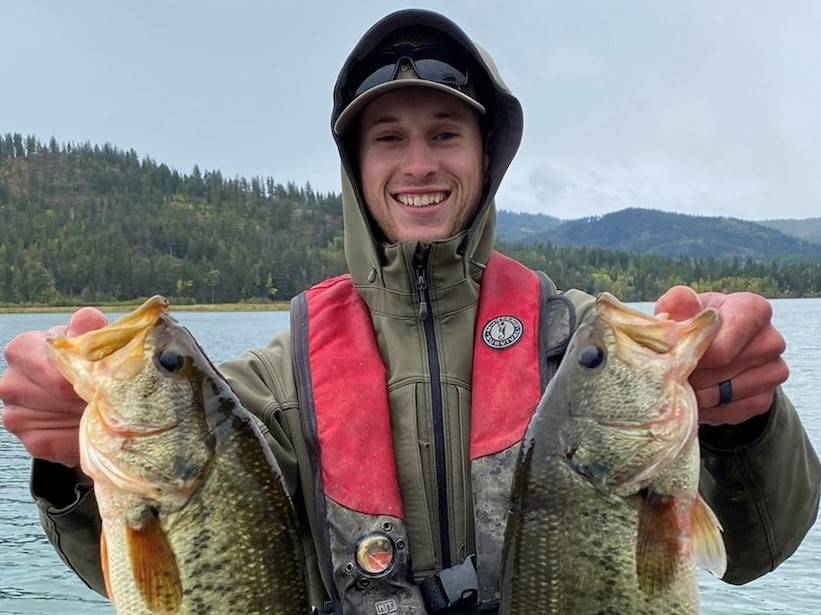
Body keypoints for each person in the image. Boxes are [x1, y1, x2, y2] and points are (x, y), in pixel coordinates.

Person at [1, 9, 819, 614]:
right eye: (386, 138)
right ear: (355, 167)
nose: (417, 162)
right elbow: (165, 571)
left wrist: (743, 423)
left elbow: (754, 550)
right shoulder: (268, 381)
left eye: (445, 133)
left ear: (486, 155)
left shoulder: (581, 346)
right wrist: (67, 469)